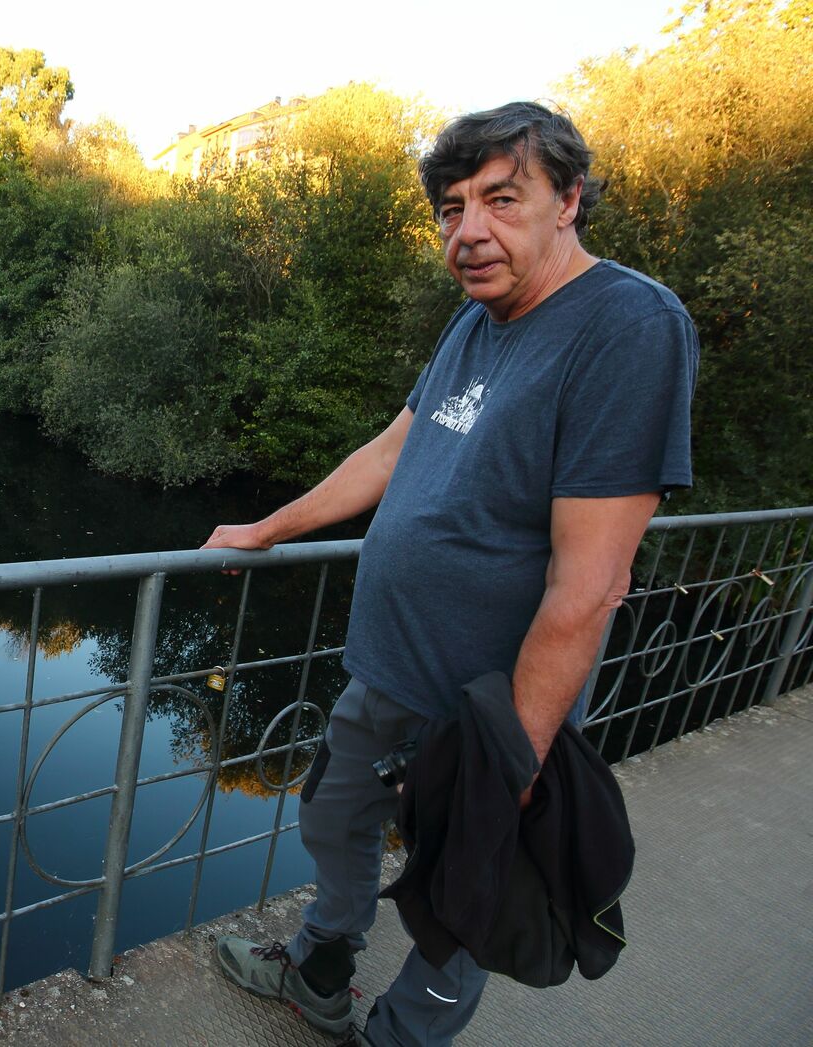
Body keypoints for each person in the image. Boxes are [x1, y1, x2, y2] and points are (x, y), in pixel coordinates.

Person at [202, 101, 698, 1046]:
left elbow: (590, 582)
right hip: (390, 664)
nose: (469, 232)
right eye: (451, 209)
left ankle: (399, 1035)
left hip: (488, 703)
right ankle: (321, 964)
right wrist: (267, 527)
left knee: (464, 892)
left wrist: (516, 754)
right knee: (334, 815)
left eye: (502, 199)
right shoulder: (477, 319)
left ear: (569, 201)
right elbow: (396, 447)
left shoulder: (629, 326)